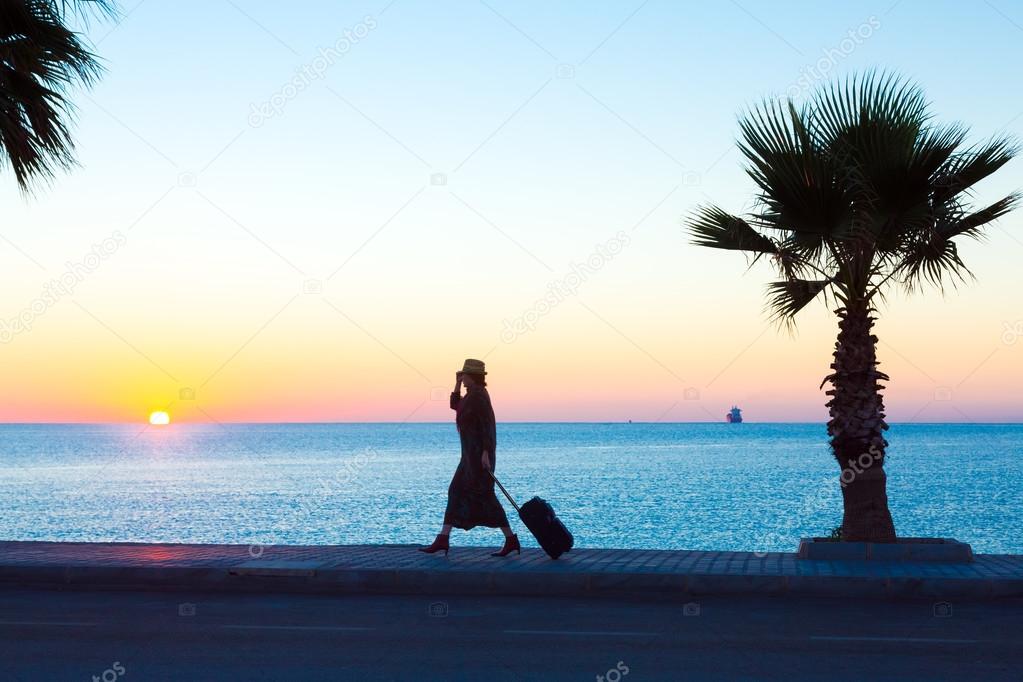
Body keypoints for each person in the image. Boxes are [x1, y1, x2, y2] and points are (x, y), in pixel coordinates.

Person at [419, 358, 519, 557]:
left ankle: (510, 539)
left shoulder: (480, 396)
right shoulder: (470, 395)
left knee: (485, 496)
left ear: (472, 377)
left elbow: (488, 425)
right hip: (468, 456)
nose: (462, 378)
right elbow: (455, 405)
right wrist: (455, 384)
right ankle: (444, 538)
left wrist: (485, 452)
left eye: (463, 376)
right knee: (457, 491)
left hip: (479, 456)